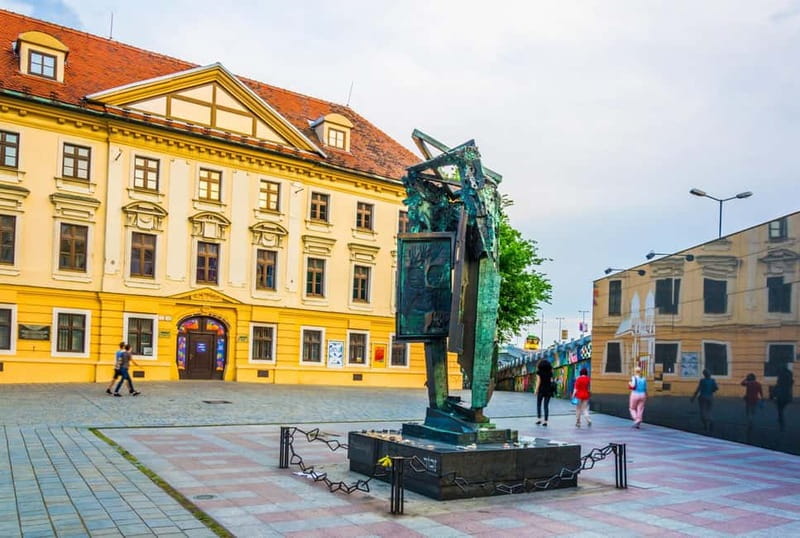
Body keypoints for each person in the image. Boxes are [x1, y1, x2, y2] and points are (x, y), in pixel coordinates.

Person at [773, 366, 793, 432]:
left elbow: (778, 385)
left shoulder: (781, 377)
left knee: (780, 409)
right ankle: (780, 419)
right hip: (787, 395)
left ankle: (781, 420)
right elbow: (791, 383)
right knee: (781, 408)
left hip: (781, 395)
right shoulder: (789, 376)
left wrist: (774, 393)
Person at [535, 359, 554, 426]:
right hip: (548, 390)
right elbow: (551, 381)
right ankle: (545, 421)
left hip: (541, 390)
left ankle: (539, 419)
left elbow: (538, 381)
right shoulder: (550, 372)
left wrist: (536, 390)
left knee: (539, 405)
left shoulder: (539, 372)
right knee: (546, 406)